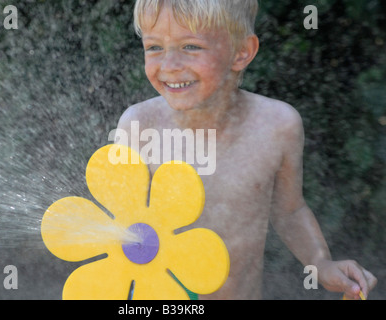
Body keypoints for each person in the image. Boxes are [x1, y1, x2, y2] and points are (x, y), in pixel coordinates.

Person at [114, 0, 377, 299]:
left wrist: (321, 263)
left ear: (242, 52)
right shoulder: (140, 125)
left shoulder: (277, 125)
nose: (170, 65)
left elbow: (290, 210)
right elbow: (116, 228)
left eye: (191, 47)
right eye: (154, 47)